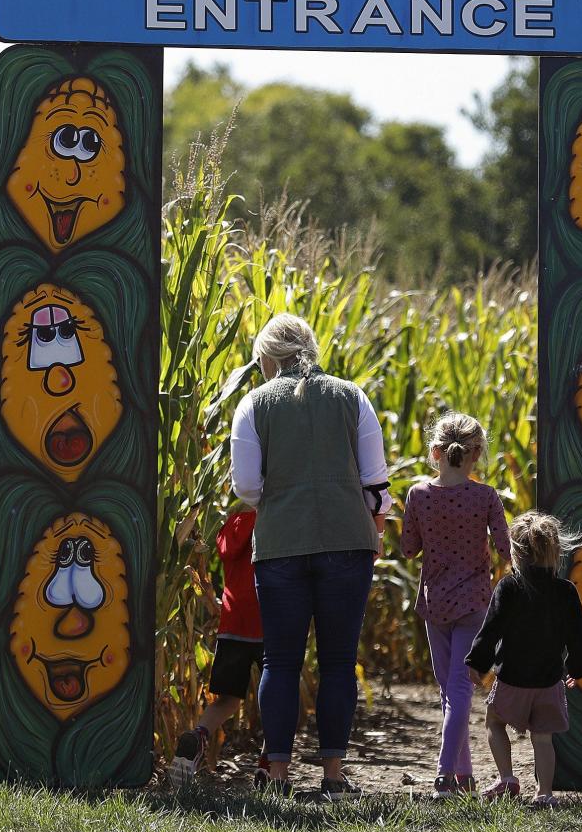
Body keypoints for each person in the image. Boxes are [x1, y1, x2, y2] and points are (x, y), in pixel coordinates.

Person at [230, 313, 392, 800]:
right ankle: (334, 777)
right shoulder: (352, 397)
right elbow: (376, 484)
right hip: (348, 543)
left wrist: (285, 500)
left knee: (280, 661)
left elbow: (246, 485)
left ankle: (277, 776)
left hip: (280, 545)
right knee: (339, 662)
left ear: (266, 358)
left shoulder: (253, 405)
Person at [401, 413, 510, 798]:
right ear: (477, 454)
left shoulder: (418, 495)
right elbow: (505, 548)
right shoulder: (486, 497)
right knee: (461, 690)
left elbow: (408, 549)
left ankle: (450, 775)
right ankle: (455, 775)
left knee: (450, 691)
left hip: (435, 603)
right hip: (475, 602)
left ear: (435, 453)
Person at [465, 511, 582, 808]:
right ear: (555, 551)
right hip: (549, 681)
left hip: (512, 678)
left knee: (494, 723)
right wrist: (577, 668)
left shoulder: (509, 587)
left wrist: (477, 662)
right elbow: (577, 638)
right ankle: (545, 793)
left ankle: (507, 778)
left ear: (516, 553)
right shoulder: (566, 591)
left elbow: (491, 627)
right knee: (543, 738)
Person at [168, 510, 267, 789]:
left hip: (232, 621)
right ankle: (269, 763)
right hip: (268, 621)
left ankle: (199, 734)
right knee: (278, 696)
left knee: (227, 699)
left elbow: (221, 552)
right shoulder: (276, 515)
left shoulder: (232, 524)